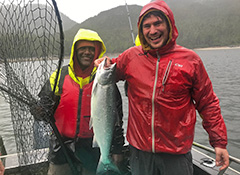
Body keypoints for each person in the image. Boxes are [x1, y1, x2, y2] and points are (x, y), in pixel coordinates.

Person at [94, 0, 229, 175]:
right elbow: (110, 69)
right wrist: (102, 64)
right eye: (147, 26)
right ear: (141, 31)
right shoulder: (131, 56)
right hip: (139, 151)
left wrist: (219, 142)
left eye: (158, 23)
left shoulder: (191, 60)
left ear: (169, 24)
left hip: (176, 154)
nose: (153, 30)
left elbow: (207, 103)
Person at [31, 28, 125, 175]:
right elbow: (43, 105)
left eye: (91, 49)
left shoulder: (106, 83)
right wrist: (40, 111)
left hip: (91, 150)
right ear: (75, 51)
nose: (87, 52)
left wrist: (118, 149)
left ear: (97, 52)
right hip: (61, 149)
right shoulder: (58, 77)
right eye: (83, 48)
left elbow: (115, 119)